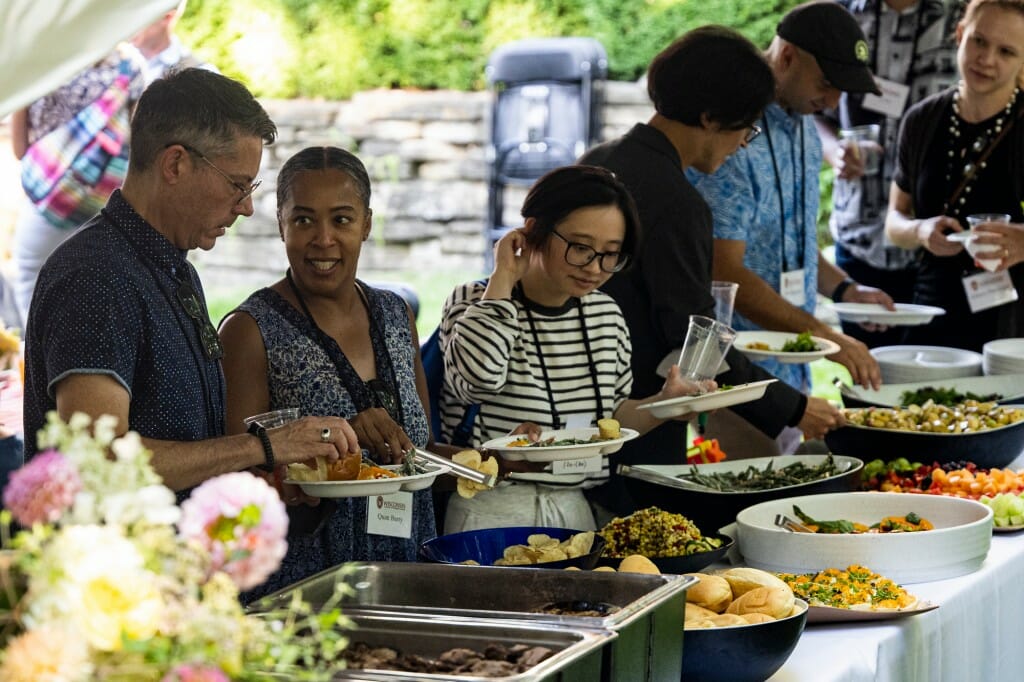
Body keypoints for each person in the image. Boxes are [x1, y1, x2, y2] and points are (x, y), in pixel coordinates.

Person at [22, 68, 360, 491]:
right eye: (237, 185)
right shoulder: (96, 275)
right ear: (176, 164)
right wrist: (263, 446)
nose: (246, 207)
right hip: (107, 557)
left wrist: (264, 473)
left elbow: (184, 446)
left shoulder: (173, 268)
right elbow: (97, 460)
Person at [578, 25, 844, 515]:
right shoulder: (680, 202)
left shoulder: (599, 161)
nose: (745, 142)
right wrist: (794, 409)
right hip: (637, 423)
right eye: (747, 127)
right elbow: (698, 345)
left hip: (569, 406)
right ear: (708, 117)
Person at [438, 165, 711, 532]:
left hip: (574, 510)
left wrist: (665, 403)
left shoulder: (604, 314)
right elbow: (477, 381)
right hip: (489, 509)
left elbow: (611, 419)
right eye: (581, 248)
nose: (595, 268)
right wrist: (503, 275)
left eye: (610, 254)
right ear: (534, 230)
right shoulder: (476, 301)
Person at [218, 146, 436, 600]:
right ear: (280, 224)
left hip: (405, 575)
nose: (323, 239)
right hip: (304, 591)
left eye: (341, 220)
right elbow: (237, 478)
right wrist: (334, 445)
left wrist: (496, 459)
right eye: (303, 220)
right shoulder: (250, 329)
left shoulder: (397, 316)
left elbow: (421, 446)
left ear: (367, 224)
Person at [689, 1, 893, 412]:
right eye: (826, 82)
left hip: (793, 369)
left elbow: (787, 241)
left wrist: (845, 289)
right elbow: (723, 271)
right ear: (786, 56)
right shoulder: (731, 135)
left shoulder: (806, 128)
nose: (834, 101)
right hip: (733, 377)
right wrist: (825, 335)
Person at [816, 0, 960, 347]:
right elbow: (813, 108)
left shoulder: (963, 19)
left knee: (933, 383)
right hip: (859, 238)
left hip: (936, 244)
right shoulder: (840, 15)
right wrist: (833, 150)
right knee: (867, 376)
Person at [885, 0, 1024, 349]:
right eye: (979, 41)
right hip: (932, 314)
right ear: (960, 34)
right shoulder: (921, 120)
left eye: (1006, 51)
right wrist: (920, 231)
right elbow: (893, 222)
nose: (986, 59)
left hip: (1012, 328)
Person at [10, 43, 146, 321]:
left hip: (47, 199)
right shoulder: (129, 66)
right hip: (104, 205)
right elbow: (138, 146)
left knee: (30, 279)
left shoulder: (40, 56)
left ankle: (36, 359)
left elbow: (20, 148)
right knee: (94, 293)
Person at [131, 1, 216, 84]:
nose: (130, 24)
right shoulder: (120, 53)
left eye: (139, 16)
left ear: (167, 17)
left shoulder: (202, 76)